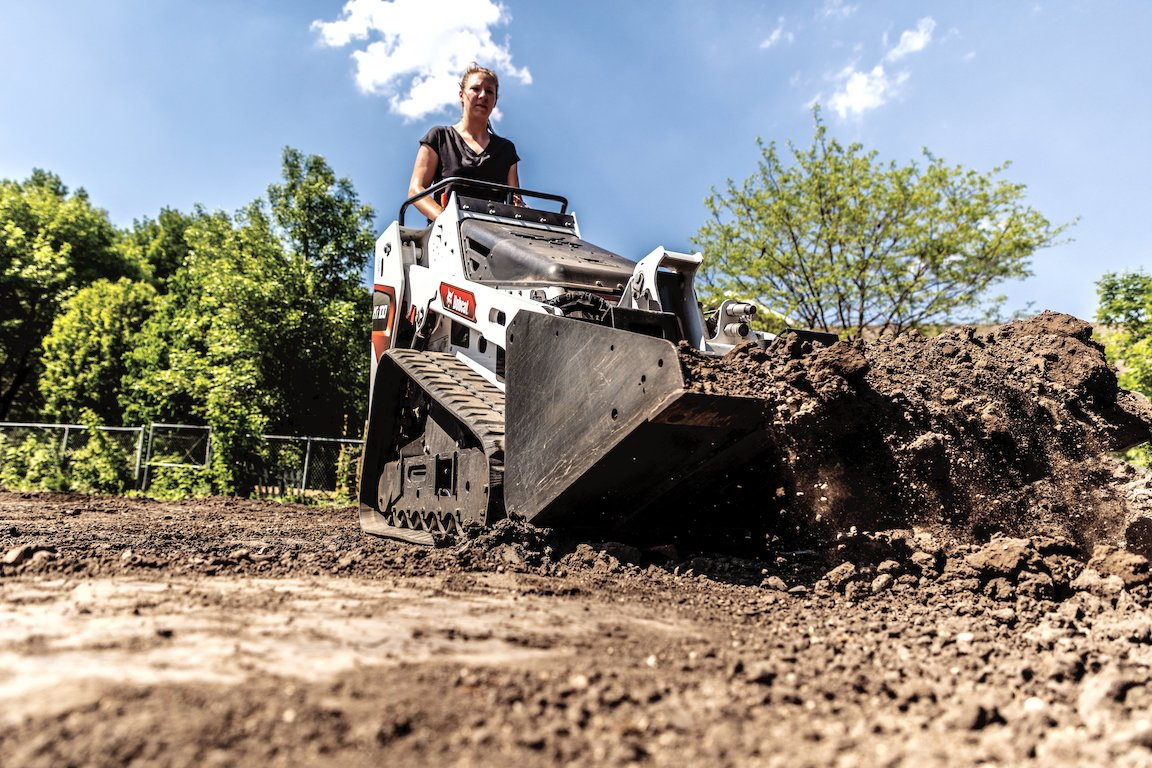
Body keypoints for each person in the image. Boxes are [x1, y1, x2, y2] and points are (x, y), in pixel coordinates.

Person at [408, 64, 521, 221]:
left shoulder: (506, 149)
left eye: (489, 91)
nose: (483, 96)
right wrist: (446, 220)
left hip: (497, 234)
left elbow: (515, 203)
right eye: (475, 89)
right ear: (461, 95)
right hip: (448, 238)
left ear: (495, 101)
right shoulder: (439, 137)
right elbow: (416, 190)